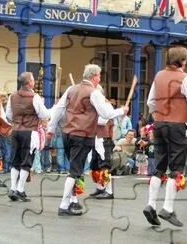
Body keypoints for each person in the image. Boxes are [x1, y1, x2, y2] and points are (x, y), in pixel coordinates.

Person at [48, 64, 128, 216]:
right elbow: (105, 114)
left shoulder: (71, 90)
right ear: (94, 76)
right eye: (99, 76)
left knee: (75, 169)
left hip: (67, 134)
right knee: (75, 170)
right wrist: (121, 111)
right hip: (82, 135)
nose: (100, 79)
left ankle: (73, 201)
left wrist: (51, 129)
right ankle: (64, 205)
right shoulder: (94, 93)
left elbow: (58, 109)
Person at [143, 46, 187, 227]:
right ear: (183, 61)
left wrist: (158, 116)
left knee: (159, 165)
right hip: (177, 125)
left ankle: (150, 204)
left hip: (159, 124)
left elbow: (150, 102)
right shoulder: (185, 78)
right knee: (176, 168)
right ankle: (167, 208)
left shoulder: (158, 76)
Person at [6, 72, 51, 202]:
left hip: (16, 130)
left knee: (15, 160)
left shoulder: (12, 96)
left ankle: (13, 188)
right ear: (29, 82)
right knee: (26, 160)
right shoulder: (34, 97)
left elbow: (9, 115)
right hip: (29, 132)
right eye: (33, 80)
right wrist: (52, 110)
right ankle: (20, 190)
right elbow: (44, 115)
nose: (34, 81)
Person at [89, 85, 115, 200]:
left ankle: (109, 191)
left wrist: (90, 118)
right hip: (95, 139)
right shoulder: (93, 106)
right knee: (94, 165)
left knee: (104, 165)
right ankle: (100, 188)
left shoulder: (106, 104)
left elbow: (104, 119)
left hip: (104, 139)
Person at [0, 92, 12, 174]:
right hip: (4, 131)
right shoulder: (4, 107)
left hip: (6, 131)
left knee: (6, 149)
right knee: (6, 149)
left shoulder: (5, 108)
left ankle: (6, 167)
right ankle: (7, 167)